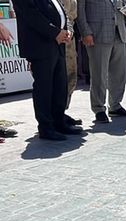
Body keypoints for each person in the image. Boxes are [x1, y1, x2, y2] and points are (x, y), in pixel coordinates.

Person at [13, 0, 83, 141]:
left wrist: (67, 31)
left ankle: (59, 121)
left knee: (60, 85)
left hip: (57, 43)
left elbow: (60, 10)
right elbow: (31, 15)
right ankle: (46, 128)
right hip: (40, 44)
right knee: (44, 87)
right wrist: (55, 32)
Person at [77, 0, 126, 123]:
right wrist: (85, 32)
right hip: (98, 34)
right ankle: (99, 109)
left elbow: (118, 6)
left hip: (119, 32)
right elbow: (80, 11)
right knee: (99, 74)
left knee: (119, 73)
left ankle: (115, 105)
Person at [61, 0, 83, 126]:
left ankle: (62, 111)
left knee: (71, 77)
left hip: (70, 39)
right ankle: (55, 115)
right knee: (60, 79)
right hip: (58, 38)